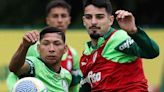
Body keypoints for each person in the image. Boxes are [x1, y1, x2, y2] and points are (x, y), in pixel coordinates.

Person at [79, 0, 160, 91]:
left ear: (110, 20)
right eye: (89, 17)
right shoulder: (86, 55)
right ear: (84, 21)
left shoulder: (119, 38)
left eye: (99, 17)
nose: (93, 22)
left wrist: (134, 31)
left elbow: (152, 52)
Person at [7, 0, 81, 92]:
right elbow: (14, 70)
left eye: (63, 16)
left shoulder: (72, 56)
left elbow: (73, 86)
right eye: (55, 16)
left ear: (69, 20)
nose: (60, 20)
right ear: (47, 20)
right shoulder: (31, 48)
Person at [8, 27, 72, 92]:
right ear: (38, 48)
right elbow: (15, 68)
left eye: (57, 44)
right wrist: (24, 46)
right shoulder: (34, 64)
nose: (51, 49)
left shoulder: (67, 75)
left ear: (65, 49)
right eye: (46, 44)